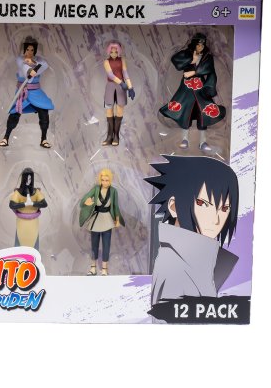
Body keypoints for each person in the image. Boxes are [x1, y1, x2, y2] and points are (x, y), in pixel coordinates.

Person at [145, 156, 239, 305]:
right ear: (174, 207)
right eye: (203, 203)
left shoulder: (203, 261)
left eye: (224, 208)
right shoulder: (174, 268)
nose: (216, 220)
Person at [159, 33, 226, 152]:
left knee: (203, 114)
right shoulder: (187, 54)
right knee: (185, 113)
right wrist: (192, 60)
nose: (200, 47)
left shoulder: (207, 56)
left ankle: (203, 142)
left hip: (201, 88)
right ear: (194, 44)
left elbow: (210, 70)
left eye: (202, 45)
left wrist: (195, 74)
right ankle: (184, 139)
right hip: (187, 88)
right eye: (198, 45)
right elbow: (176, 60)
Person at [0, 37, 55, 148]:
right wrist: (31, 69)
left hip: (36, 91)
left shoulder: (38, 60)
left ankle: (44, 139)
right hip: (23, 92)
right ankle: (6, 137)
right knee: (15, 113)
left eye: (32, 50)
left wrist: (34, 63)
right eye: (28, 50)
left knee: (44, 111)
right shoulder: (20, 60)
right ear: (24, 50)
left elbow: (45, 65)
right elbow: (28, 74)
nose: (29, 52)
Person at [78, 168, 123, 276]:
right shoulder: (96, 189)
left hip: (107, 219)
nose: (104, 182)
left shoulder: (113, 191)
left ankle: (104, 269)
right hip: (96, 219)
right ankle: (93, 268)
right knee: (94, 245)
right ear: (100, 180)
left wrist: (117, 220)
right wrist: (87, 202)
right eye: (102, 180)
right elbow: (84, 200)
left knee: (106, 245)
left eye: (107, 180)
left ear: (110, 180)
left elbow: (115, 206)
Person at [101, 41, 135, 146]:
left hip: (121, 88)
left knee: (120, 111)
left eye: (116, 52)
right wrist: (121, 83)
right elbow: (110, 75)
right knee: (109, 111)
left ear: (119, 51)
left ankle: (116, 136)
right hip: (111, 87)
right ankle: (109, 136)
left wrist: (130, 87)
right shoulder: (106, 62)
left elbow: (125, 73)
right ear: (109, 51)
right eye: (112, 52)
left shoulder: (122, 60)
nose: (114, 54)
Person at [8, 168, 47, 250]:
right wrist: (25, 204)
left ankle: (34, 255)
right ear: (23, 178)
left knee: (34, 240)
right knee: (19, 241)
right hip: (21, 221)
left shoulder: (36, 192)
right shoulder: (18, 193)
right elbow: (12, 205)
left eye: (30, 179)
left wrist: (32, 203)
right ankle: (18, 255)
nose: (28, 181)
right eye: (26, 178)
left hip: (33, 221)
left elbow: (44, 203)